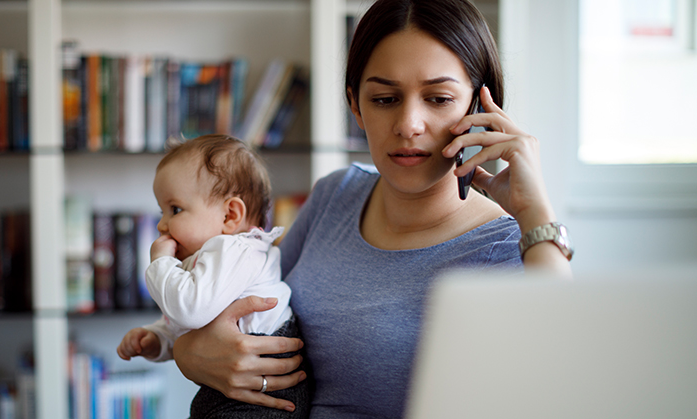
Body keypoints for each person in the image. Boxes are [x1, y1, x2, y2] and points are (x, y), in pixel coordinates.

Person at [170, 0, 573, 417]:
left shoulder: (509, 246)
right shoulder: (335, 195)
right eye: (385, 99)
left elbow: (563, 378)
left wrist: (535, 212)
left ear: (479, 109)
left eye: (438, 98)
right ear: (356, 105)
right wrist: (187, 352)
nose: (408, 124)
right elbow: (245, 302)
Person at [115, 134, 311, 418]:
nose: (161, 224)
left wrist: (160, 262)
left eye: (175, 209)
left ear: (229, 216)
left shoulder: (234, 249)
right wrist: (157, 338)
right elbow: (196, 326)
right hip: (235, 385)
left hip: (263, 392)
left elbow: (191, 311)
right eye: (162, 211)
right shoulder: (211, 256)